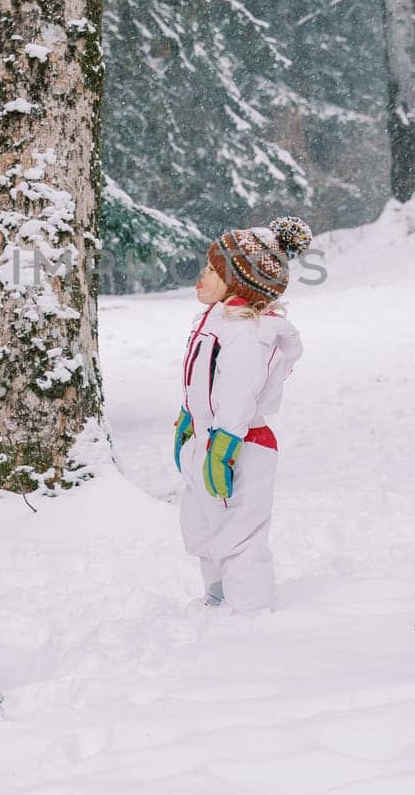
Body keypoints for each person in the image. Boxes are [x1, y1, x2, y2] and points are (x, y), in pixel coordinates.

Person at [173, 217, 311, 614]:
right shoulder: (217, 321)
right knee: (203, 525)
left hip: (241, 446)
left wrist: (225, 445)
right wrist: (188, 419)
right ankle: (218, 597)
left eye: (213, 271)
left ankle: (250, 612)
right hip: (206, 440)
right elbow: (203, 381)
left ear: (240, 284)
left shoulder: (250, 334)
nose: (201, 276)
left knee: (240, 533)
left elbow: (236, 394)